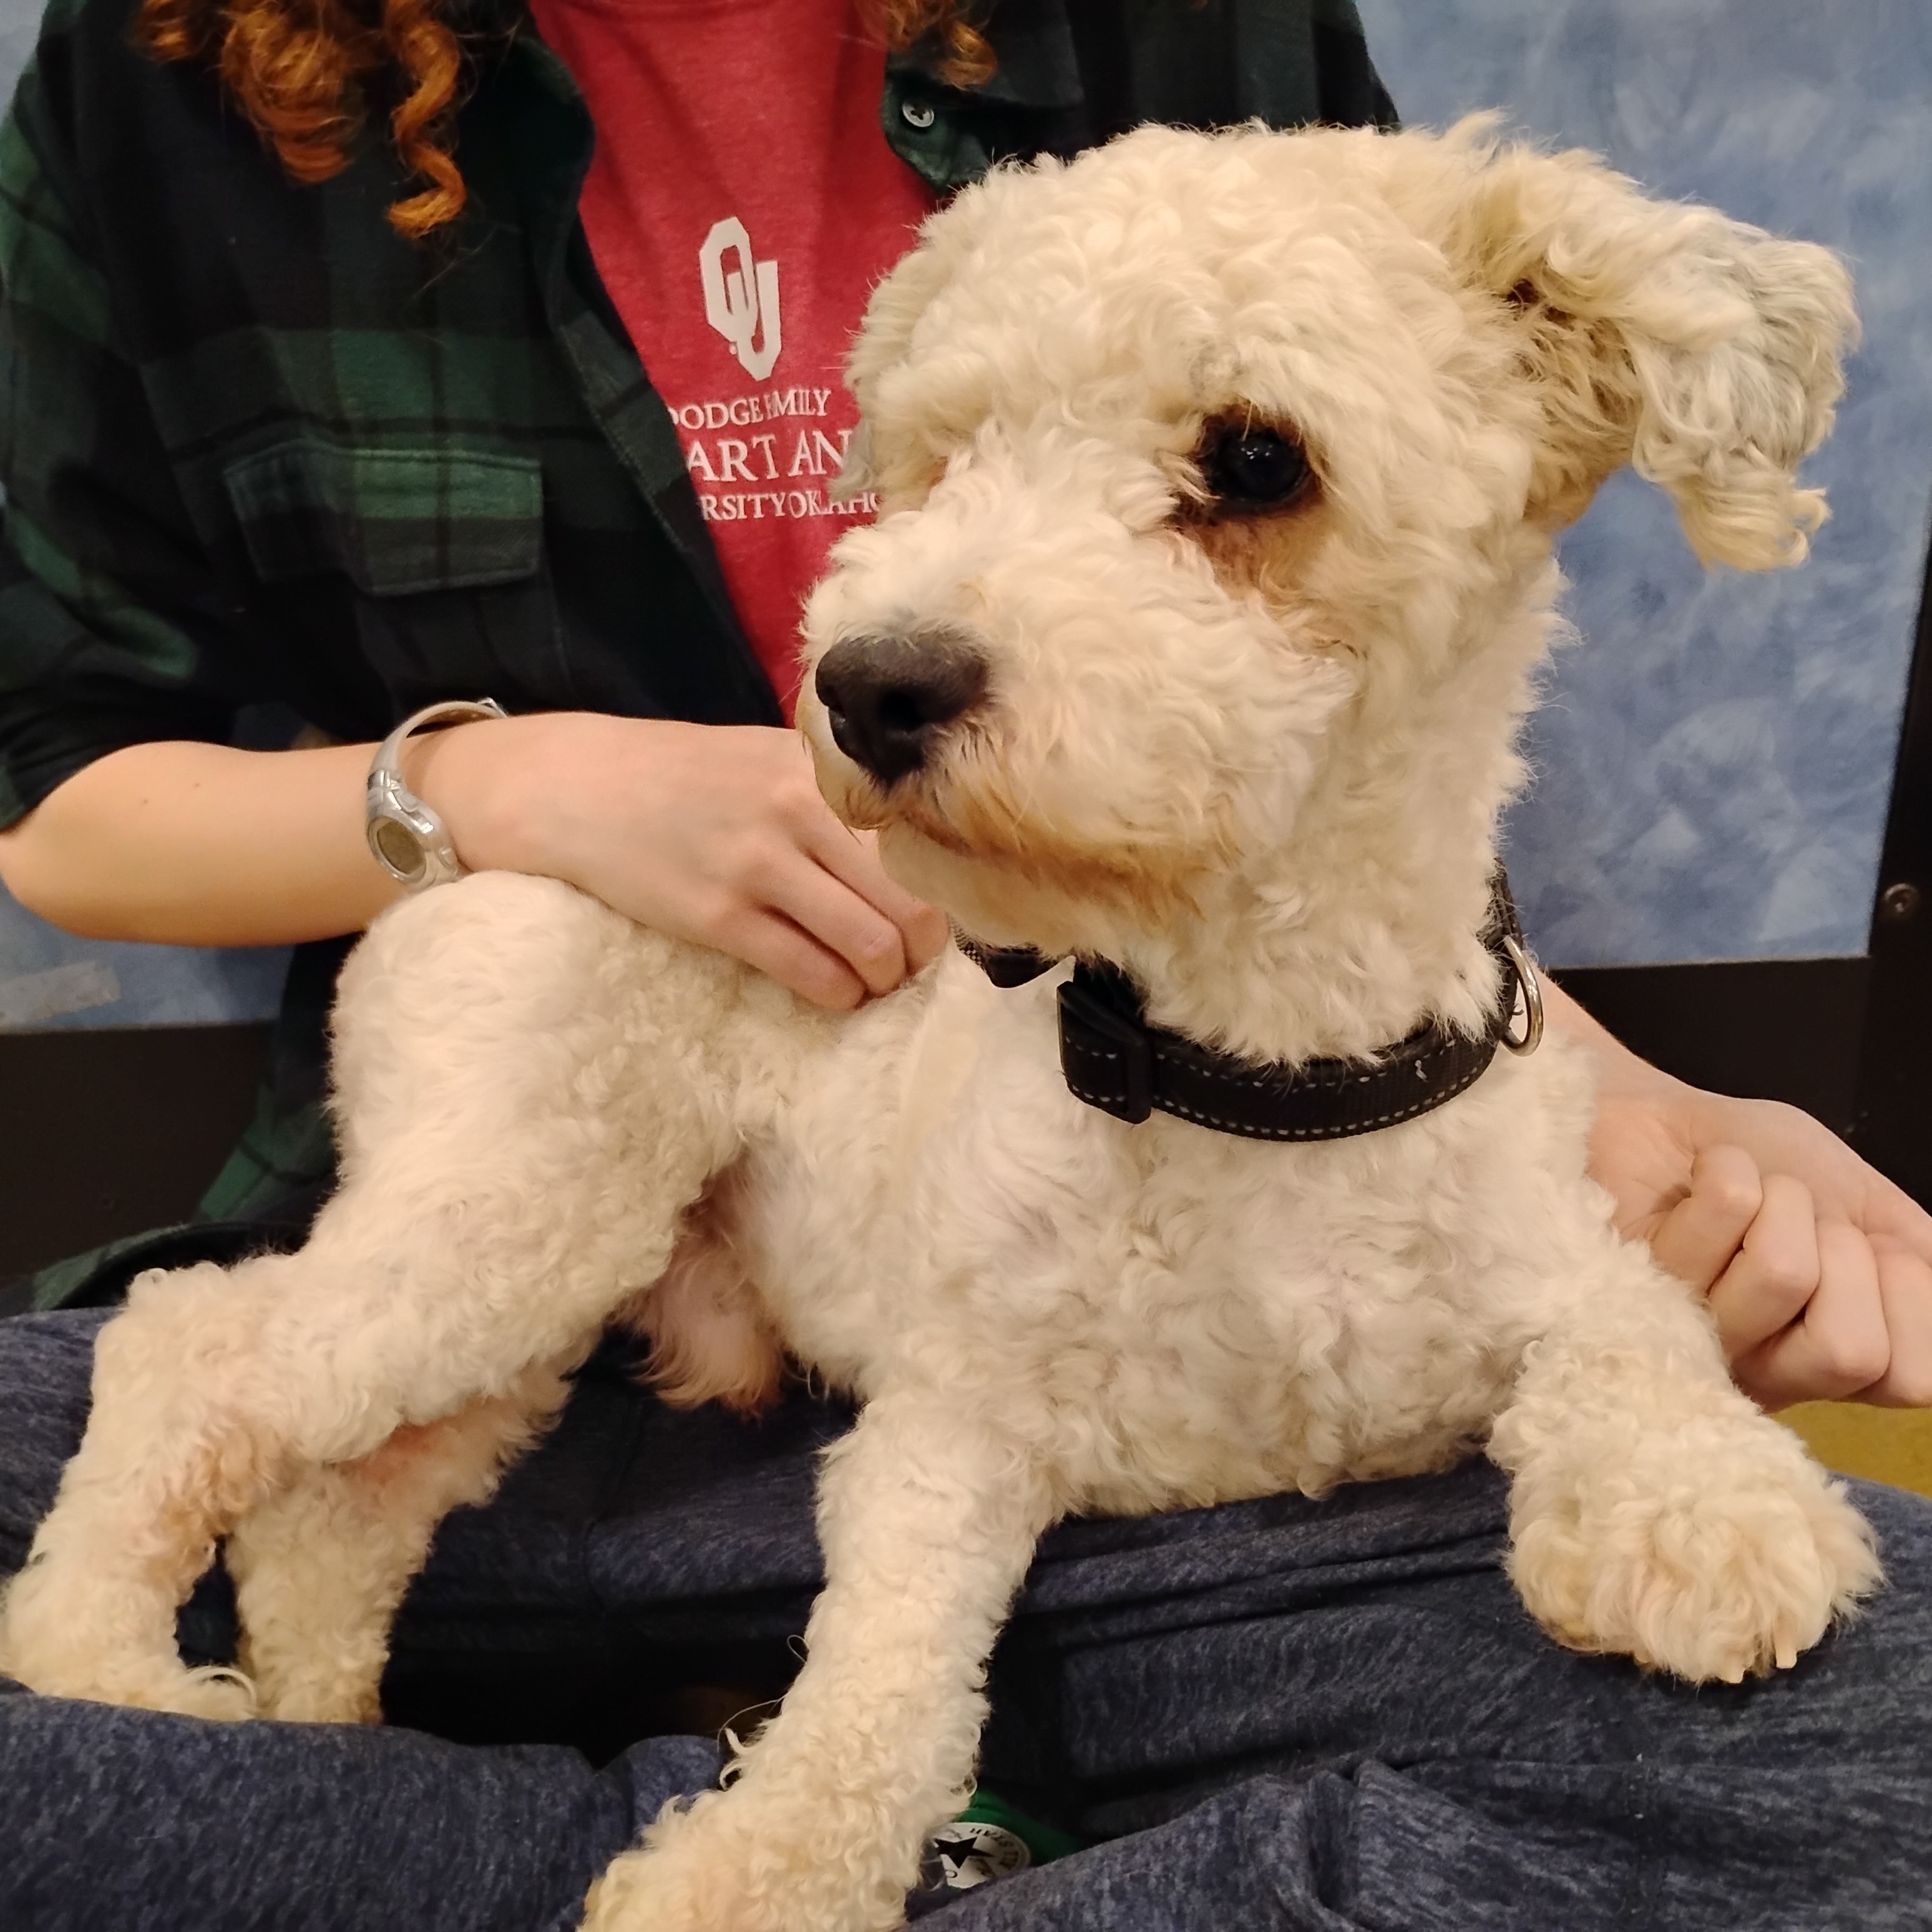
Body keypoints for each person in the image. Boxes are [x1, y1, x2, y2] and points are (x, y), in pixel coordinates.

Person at [0, 0, 1927, 1926]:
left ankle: (502, 1829)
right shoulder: (154, 72)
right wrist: (510, 784)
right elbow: (57, 789)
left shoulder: (1214, 37)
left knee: (1876, 1734)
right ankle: (897, 1841)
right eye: (938, 469)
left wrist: (1661, 1122)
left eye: (1240, 471)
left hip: (1162, 1412)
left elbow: (1379, 809)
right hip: (539, 1267)